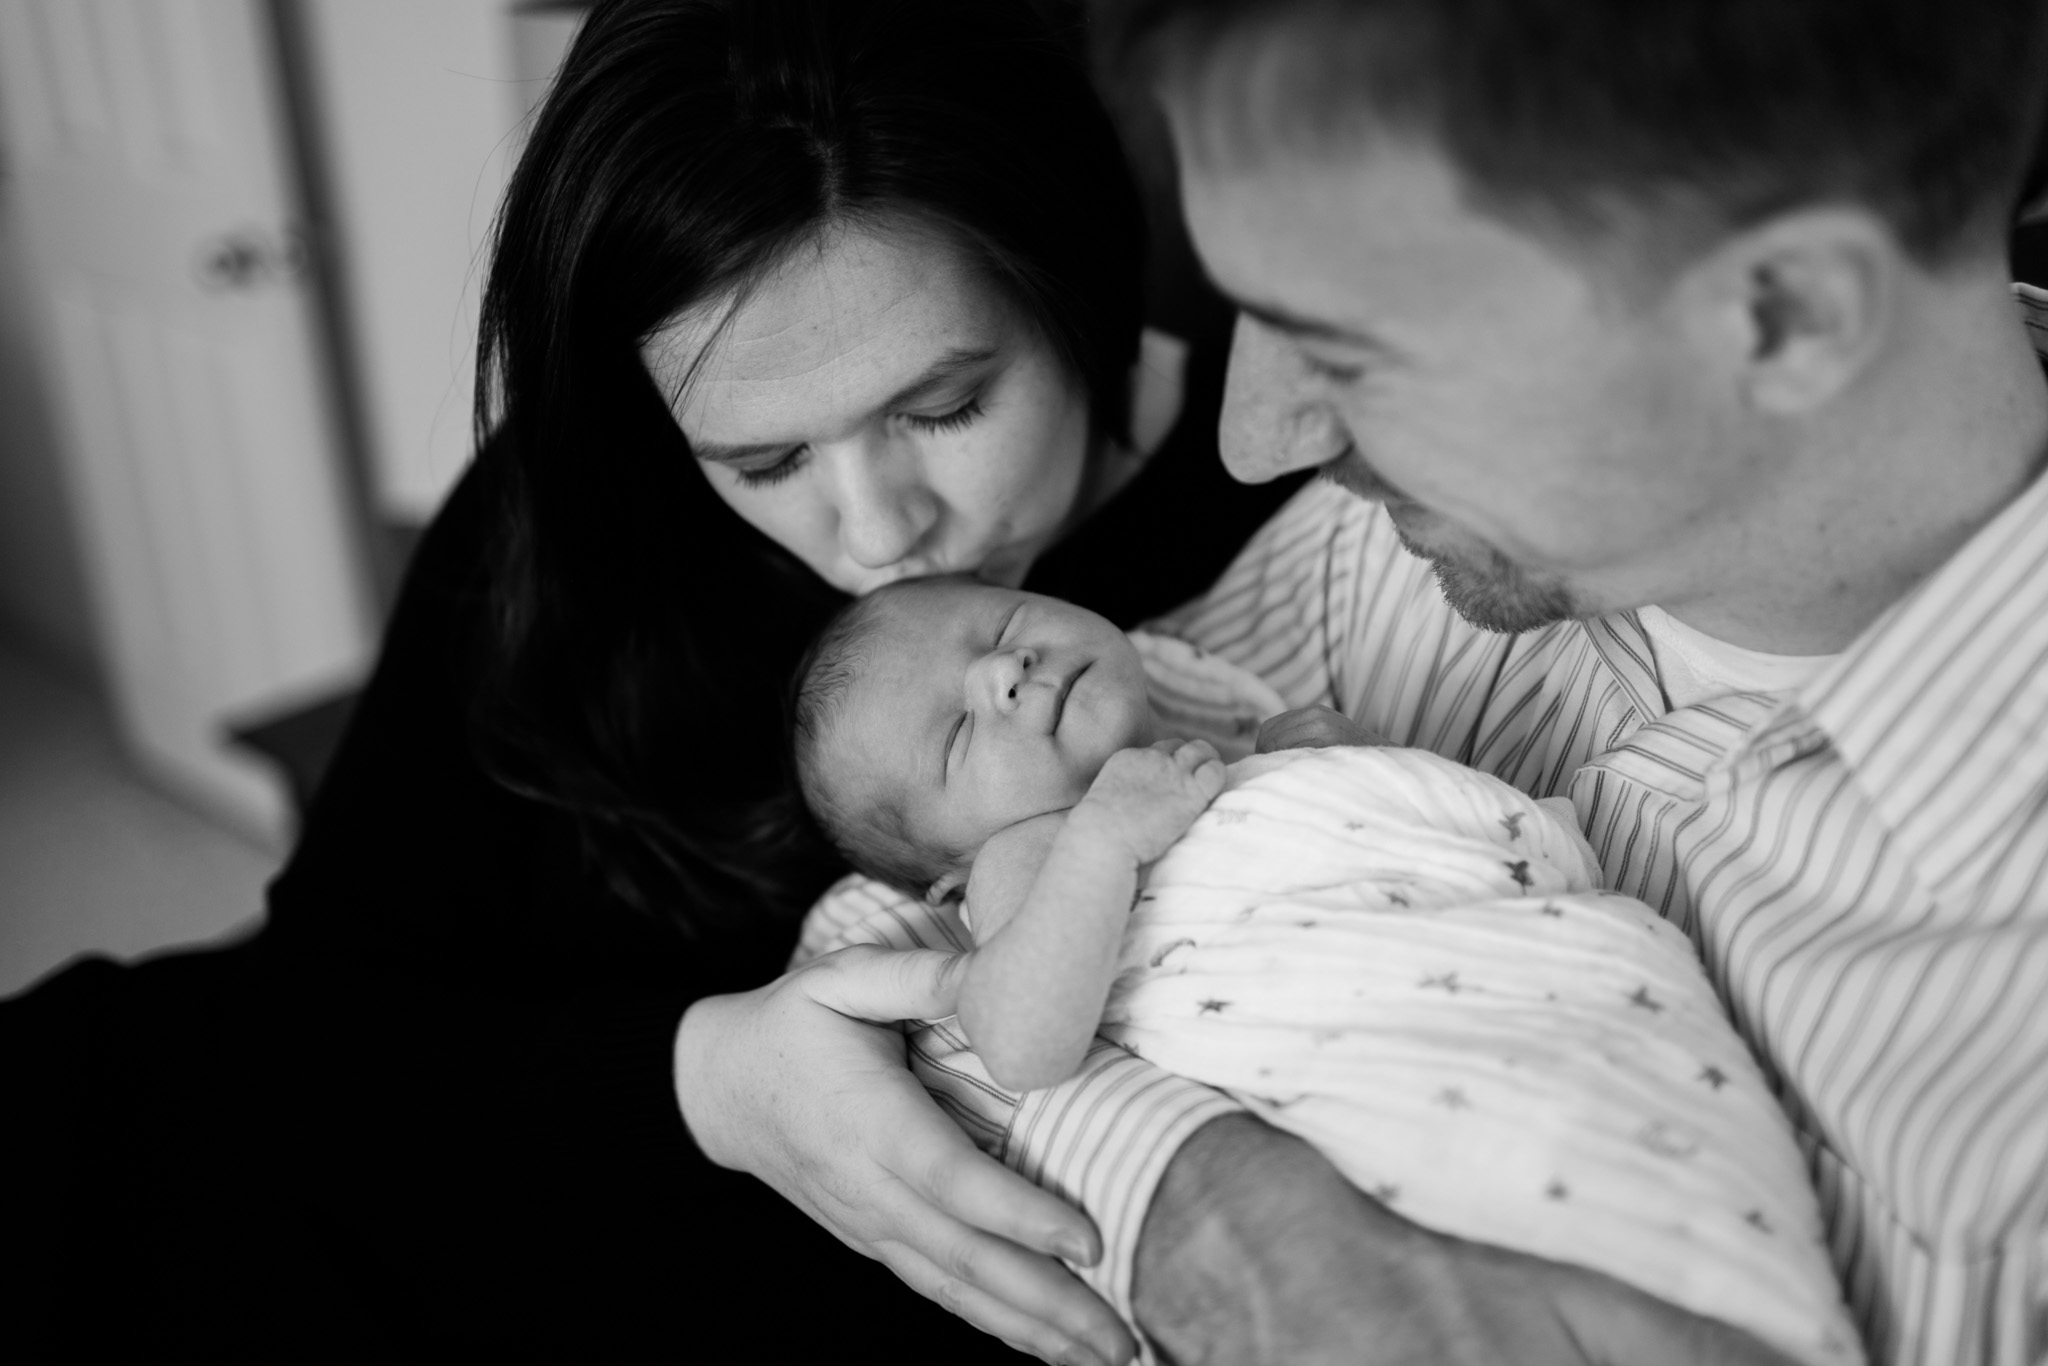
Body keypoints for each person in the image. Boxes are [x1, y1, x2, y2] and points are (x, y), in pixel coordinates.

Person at [0, 1, 1302, 1359]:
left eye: (942, 409)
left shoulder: (1268, 482)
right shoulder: (576, 516)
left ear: (1077, 276)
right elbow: (334, 1003)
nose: (874, 532)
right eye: (764, 463)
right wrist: (702, 1081)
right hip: (419, 1166)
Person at [797, 1, 2048, 1363]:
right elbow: (906, 936)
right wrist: (1198, 1195)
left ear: (1785, 311)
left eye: (1338, 346)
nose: (1253, 440)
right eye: (1244, 318)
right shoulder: (1387, 556)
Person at [789, 574, 1857, 1365]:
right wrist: (1102, 841)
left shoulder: (1240, 733)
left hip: (1554, 993)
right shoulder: (1021, 863)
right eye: (956, 733)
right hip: (1405, 1097)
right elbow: (1021, 1038)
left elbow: (1392, 857)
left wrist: (1334, 758)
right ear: (944, 876)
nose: (1003, 671)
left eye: (1001, 625)